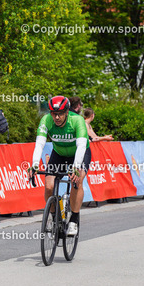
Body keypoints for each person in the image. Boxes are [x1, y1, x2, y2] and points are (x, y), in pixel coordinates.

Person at [28, 96, 91, 236]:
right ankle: (55, 217)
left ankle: (74, 220)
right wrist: (34, 164)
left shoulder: (77, 120)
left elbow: (81, 145)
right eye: (54, 113)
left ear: (67, 112)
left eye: (60, 114)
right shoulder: (46, 120)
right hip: (59, 154)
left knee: (77, 180)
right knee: (49, 186)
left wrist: (75, 168)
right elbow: (39, 144)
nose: (57, 117)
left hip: (79, 153)